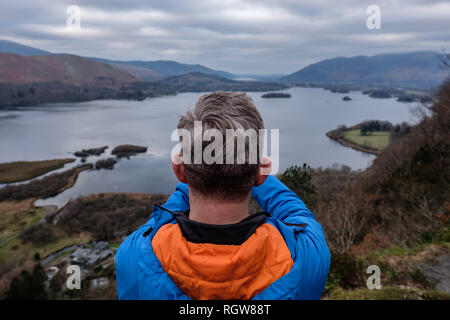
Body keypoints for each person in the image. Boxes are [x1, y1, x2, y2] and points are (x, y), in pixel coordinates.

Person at [115, 92, 330, 300]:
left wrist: (199, 170)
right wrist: (246, 168)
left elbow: (162, 218)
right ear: (260, 173)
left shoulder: (134, 256)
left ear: (179, 171)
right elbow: (296, 213)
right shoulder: (305, 256)